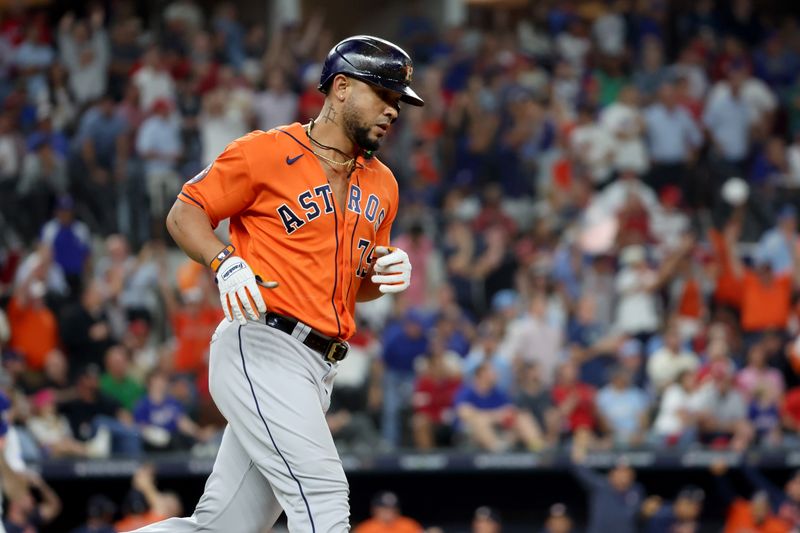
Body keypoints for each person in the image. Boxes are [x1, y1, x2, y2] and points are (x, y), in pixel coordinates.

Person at [130, 35, 422, 533]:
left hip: (319, 366)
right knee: (323, 497)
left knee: (222, 528)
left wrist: (381, 273)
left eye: (399, 102)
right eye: (385, 95)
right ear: (343, 88)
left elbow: (355, 282)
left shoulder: (384, 184)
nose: (394, 111)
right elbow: (185, 213)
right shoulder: (264, 152)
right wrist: (224, 261)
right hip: (263, 342)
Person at [353, 491, 422, 533]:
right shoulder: (364, 528)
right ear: (374, 510)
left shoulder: (409, 525)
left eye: (392, 508)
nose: (389, 512)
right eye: (384, 508)